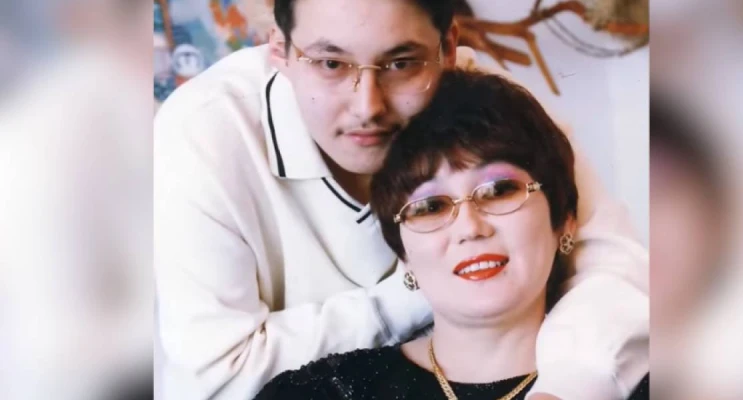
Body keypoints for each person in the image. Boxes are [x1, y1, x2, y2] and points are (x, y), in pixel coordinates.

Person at [153, 0, 649, 398]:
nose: (367, 105)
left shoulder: (491, 110)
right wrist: (432, 281)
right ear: (278, 50)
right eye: (331, 63)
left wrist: (567, 389)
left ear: (448, 48)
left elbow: (617, 269)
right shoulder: (205, 133)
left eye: (401, 63)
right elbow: (215, 382)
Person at [256, 70, 649, 400]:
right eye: (431, 207)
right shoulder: (312, 393)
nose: (470, 228)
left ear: (564, 221)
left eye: (499, 191)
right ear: (404, 253)